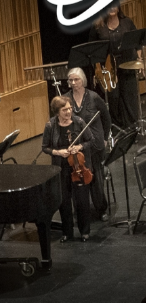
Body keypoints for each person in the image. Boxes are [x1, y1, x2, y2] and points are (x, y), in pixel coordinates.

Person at [42, 96, 102, 242]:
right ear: (57, 112)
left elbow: (90, 140)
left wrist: (79, 146)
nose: (69, 112)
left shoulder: (79, 122)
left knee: (82, 200)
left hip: (78, 166)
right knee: (64, 202)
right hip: (60, 168)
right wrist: (58, 152)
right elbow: (45, 147)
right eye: (64, 110)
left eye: (70, 108)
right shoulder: (50, 126)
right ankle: (67, 232)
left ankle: (84, 231)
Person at [65, 68, 111, 215]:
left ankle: (101, 208)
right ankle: (81, 211)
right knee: (77, 179)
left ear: (83, 80)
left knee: (97, 178)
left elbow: (106, 118)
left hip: (95, 144)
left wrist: (105, 138)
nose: (73, 83)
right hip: (77, 146)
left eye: (76, 79)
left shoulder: (94, 97)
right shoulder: (66, 99)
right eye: (71, 80)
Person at [92, 5, 140, 127]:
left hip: (128, 65)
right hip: (108, 68)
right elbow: (93, 50)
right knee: (113, 98)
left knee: (130, 98)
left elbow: (138, 42)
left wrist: (139, 60)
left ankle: (132, 128)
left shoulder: (127, 22)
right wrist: (97, 70)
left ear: (118, 8)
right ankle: (117, 128)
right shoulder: (98, 26)